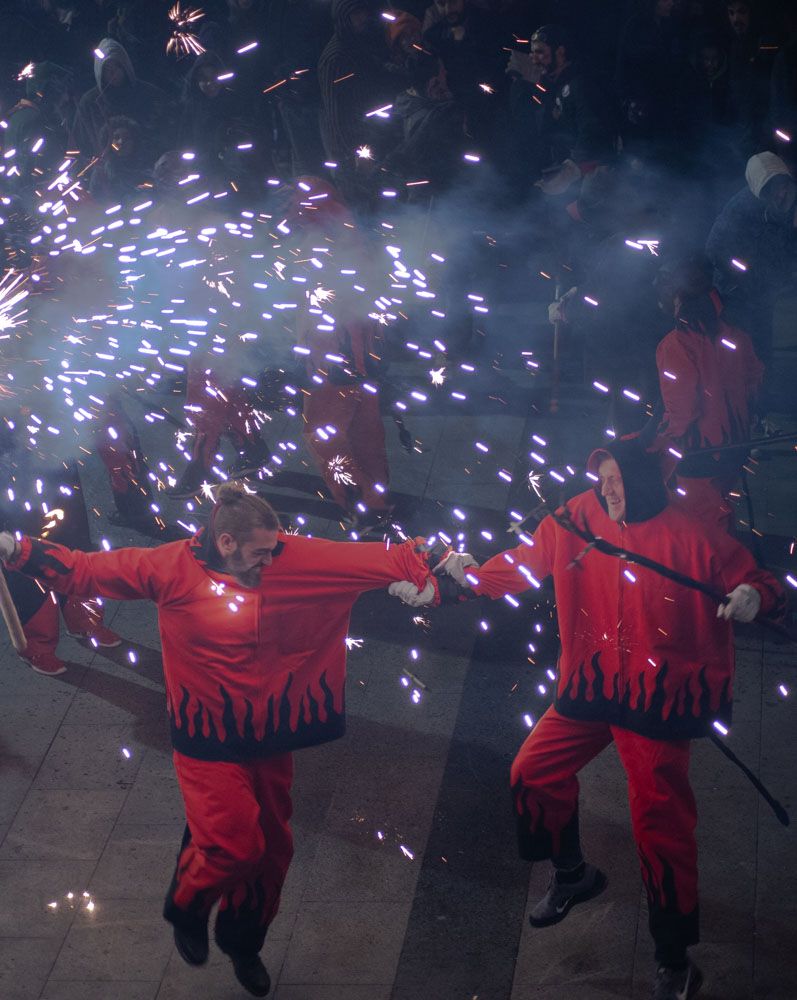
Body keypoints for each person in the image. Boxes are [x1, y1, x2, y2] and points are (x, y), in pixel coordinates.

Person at [0, 482, 443, 996]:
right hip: (205, 736)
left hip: (271, 735)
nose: (271, 559)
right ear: (227, 543)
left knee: (273, 849)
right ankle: (186, 906)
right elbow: (85, 570)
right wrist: (18, 548)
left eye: (274, 548)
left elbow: (373, 559)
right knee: (235, 842)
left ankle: (242, 941)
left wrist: (435, 567)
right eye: (260, 551)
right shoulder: (168, 567)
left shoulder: (286, 555)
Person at [391, 439, 784, 1000]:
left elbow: (766, 587)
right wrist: (461, 576)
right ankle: (574, 874)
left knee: (661, 827)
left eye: (618, 479)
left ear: (647, 483)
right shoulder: (576, 516)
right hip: (593, 683)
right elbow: (523, 565)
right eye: (603, 477)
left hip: (657, 703)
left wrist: (753, 596)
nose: (607, 489)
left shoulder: (696, 537)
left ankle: (674, 959)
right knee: (531, 773)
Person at [649, 256, 763, 531]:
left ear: (675, 295)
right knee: (720, 509)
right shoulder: (736, 335)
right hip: (736, 447)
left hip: (699, 453)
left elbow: (683, 411)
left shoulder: (675, 345)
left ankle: (712, 569)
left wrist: (657, 444)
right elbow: (754, 383)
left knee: (698, 529)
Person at [705, 151, 797, 363]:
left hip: (766, 290)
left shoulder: (792, 204)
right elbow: (714, 248)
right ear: (760, 189)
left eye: (783, 185)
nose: (780, 194)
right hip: (737, 293)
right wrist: (742, 277)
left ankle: (763, 384)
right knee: (742, 348)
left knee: (762, 347)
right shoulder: (740, 209)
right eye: (772, 188)